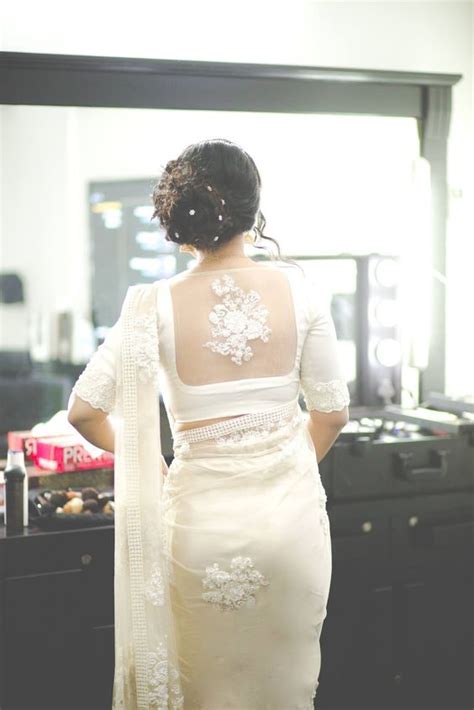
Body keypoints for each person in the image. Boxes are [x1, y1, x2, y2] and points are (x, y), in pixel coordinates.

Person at [68, 138, 350, 710]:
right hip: (291, 532)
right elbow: (332, 415)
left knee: (208, 693)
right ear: (253, 207)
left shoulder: (152, 306)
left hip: (201, 534)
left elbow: (84, 412)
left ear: (180, 218)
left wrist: (153, 463)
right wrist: (284, 470)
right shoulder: (301, 292)